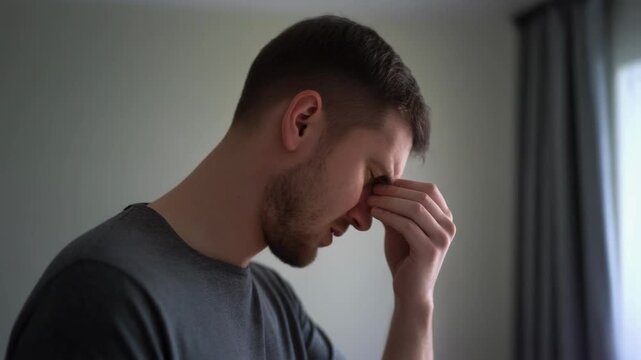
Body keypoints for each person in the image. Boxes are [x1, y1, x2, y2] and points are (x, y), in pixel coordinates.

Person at [6, 14, 456, 360]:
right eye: (374, 178)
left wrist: (415, 302)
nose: (366, 218)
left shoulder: (279, 309)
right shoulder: (105, 295)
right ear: (303, 123)